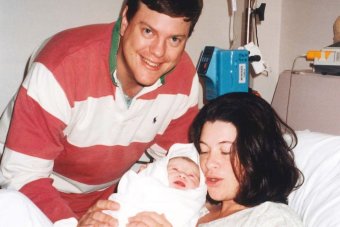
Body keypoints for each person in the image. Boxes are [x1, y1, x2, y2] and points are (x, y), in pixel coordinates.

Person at [0, 0, 203, 225]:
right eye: (148, 31)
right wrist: (72, 223)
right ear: (125, 21)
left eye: (174, 39)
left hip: (110, 202)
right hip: (32, 195)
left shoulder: (183, 77)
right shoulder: (61, 66)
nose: (158, 52)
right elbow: (21, 175)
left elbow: (181, 162)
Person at [116, 92, 304, 227]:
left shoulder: (272, 219)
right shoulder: (193, 206)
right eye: (204, 151)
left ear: (258, 155)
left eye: (225, 151)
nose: (209, 163)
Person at [105, 143, 207, 227]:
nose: (182, 175)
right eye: (175, 169)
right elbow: (124, 200)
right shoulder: (147, 184)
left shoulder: (191, 205)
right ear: (161, 170)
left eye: (191, 175)